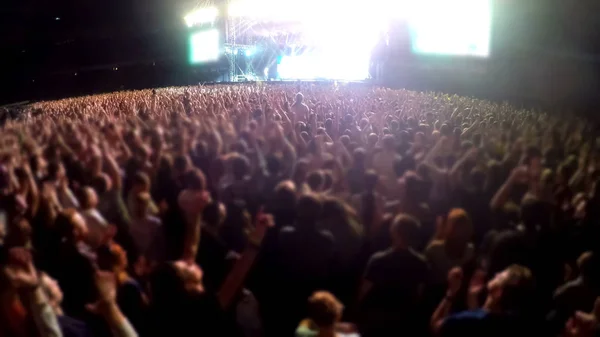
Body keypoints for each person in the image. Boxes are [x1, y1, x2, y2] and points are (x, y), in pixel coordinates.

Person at [359, 214, 430, 337]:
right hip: (406, 321)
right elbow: (419, 294)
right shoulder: (421, 263)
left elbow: (364, 290)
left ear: (393, 232)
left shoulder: (378, 260)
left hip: (379, 320)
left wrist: (357, 310)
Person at [431, 264, 536, 337]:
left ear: (499, 292)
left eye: (500, 277)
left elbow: (436, 326)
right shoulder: (511, 324)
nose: (496, 274)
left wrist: (451, 293)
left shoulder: (466, 320)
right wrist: (472, 298)